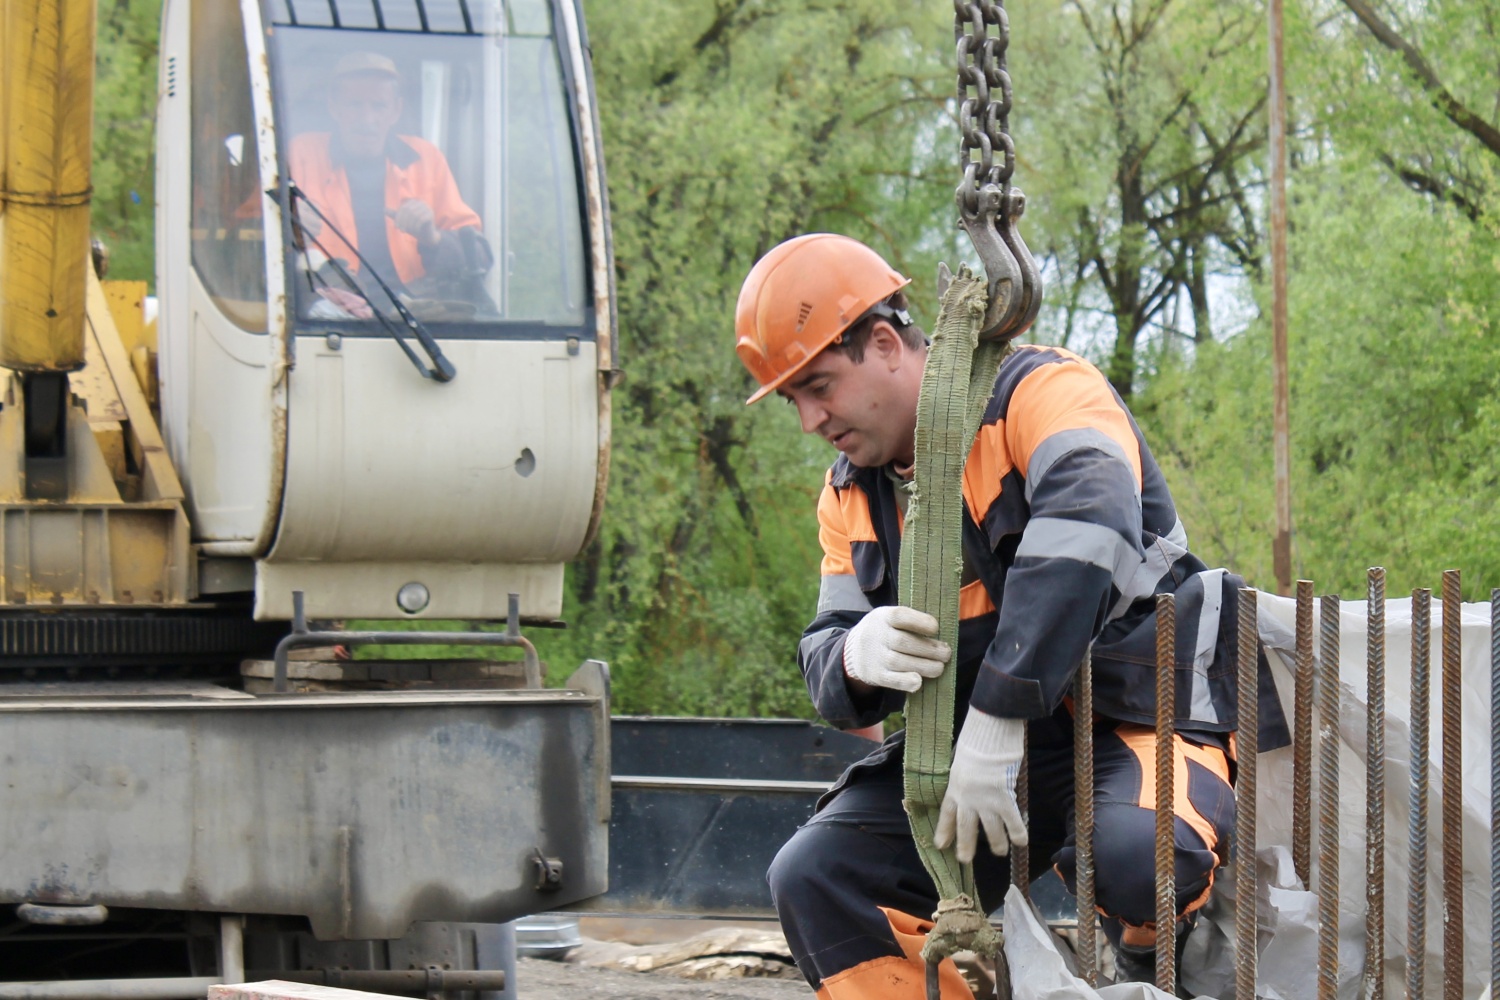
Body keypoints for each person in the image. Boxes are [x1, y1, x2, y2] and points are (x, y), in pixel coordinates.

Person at [734, 233, 1290, 997]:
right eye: (793, 400)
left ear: (887, 343)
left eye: (819, 386)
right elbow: (826, 651)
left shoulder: (1044, 391)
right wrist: (852, 659)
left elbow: (1088, 530)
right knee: (817, 875)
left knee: (1139, 861)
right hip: (978, 760)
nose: (808, 420)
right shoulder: (849, 495)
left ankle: (1155, 954)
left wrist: (997, 719)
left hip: (1137, 713)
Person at [287, 52, 491, 304]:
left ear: (396, 110)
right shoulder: (298, 154)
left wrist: (432, 237)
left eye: (378, 106)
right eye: (354, 105)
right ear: (333, 107)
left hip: (411, 322)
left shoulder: (426, 159)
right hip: (324, 317)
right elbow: (245, 236)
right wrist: (288, 229)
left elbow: (478, 255)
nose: (367, 119)